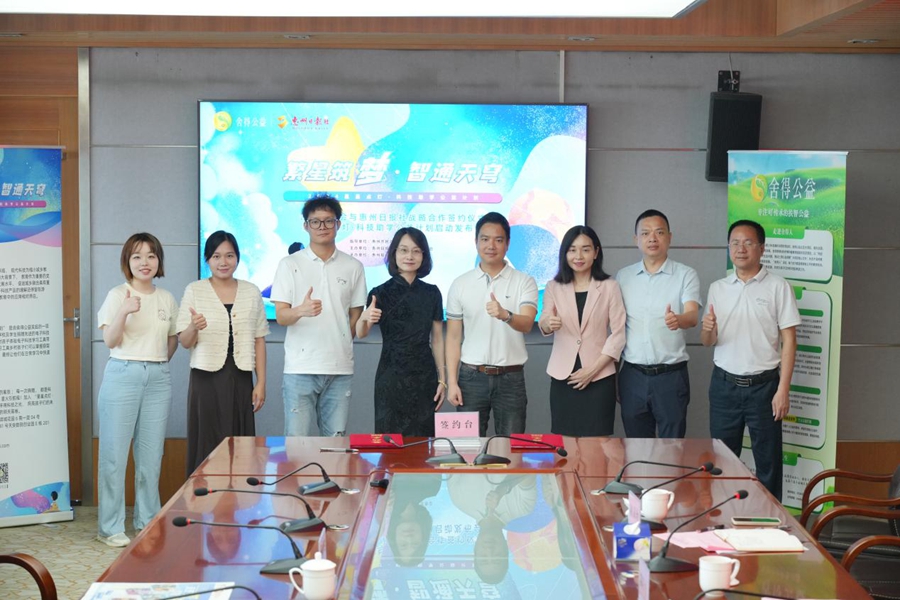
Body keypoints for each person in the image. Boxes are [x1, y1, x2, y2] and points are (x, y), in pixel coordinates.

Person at [701, 219, 800, 501]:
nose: (740, 248)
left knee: (768, 462)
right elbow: (708, 341)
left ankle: (771, 521)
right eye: (734, 243)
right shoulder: (718, 288)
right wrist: (707, 330)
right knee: (722, 460)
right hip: (724, 386)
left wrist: (783, 389)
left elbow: (790, 340)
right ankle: (723, 516)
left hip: (764, 387)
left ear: (762, 248)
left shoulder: (778, 287)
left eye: (748, 242)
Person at [95, 232, 178, 547]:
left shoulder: (167, 298)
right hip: (123, 373)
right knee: (114, 456)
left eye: (151, 255)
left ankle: (147, 521)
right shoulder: (118, 294)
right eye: (137, 256)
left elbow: (171, 340)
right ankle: (110, 527)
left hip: (158, 377)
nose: (145, 262)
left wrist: (156, 363)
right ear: (127, 262)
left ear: (159, 261)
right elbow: (110, 340)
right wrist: (124, 311)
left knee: (150, 456)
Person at [270, 195, 367, 437]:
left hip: (339, 368)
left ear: (338, 224)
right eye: (315, 222)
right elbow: (281, 316)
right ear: (306, 226)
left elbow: (356, 315)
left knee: (335, 443)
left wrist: (341, 339)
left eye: (328, 221)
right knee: (297, 443)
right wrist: (300, 310)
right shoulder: (289, 264)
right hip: (300, 367)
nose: (322, 227)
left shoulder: (353, 266)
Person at [177, 230, 269, 475]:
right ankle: (203, 495)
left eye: (229, 255)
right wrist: (193, 327)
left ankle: (238, 495)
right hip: (205, 378)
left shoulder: (251, 291)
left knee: (240, 445)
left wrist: (261, 382)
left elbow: (259, 339)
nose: (223, 262)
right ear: (207, 259)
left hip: (240, 377)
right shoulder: (195, 290)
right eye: (216, 256)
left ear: (237, 258)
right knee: (206, 442)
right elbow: (184, 341)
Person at [446, 212, 538, 436]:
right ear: (476, 241)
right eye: (485, 239)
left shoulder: (524, 281)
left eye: (498, 240)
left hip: (510, 379)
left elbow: (527, 323)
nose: (491, 246)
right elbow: (453, 338)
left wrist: (506, 315)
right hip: (470, 378)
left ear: (507, 244)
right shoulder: (460, 284)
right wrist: (452, 382)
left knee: (509, 448)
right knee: (467, 448)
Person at [615, 210, 701, 438]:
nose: (652, 238)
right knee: (636, 447)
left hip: (670, 377)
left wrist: (678, 320)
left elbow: (692, 316)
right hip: (632, 375)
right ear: (636, 239)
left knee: (672, 447)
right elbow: (616, 328)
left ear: (669, 237)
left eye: (659, 232)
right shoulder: (623, 277)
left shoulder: (685, 274)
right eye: (645, 233)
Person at [356, 227, 445, 436]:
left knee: (423, 441)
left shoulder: (432, 292)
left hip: (424, 375)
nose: (409, 256)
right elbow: (361, 333)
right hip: (391, 375)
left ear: (424, 255)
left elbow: (437, 339)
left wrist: (442, 379)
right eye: (403, 250)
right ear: (394, 254)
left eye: (416, 251)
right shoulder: (380, 293)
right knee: (390, 439)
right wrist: (364, 317)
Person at [539, 225, 625, 436]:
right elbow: (544, 319)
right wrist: (548, 323)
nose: (578, 256)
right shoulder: (553, 286)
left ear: (596, 252)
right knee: (565, 442)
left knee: (598, 443)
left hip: (599, 374)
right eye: (572, 250)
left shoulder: (609, 286)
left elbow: (618, 333)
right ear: (565, 253)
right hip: (564, 376)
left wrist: (593, 370)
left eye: (585, 249)